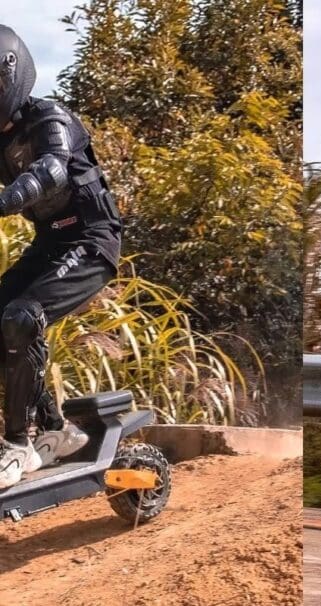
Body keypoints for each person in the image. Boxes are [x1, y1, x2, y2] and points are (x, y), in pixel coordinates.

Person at [0, 25, 121, 487]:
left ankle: (17, 446)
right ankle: (53, 431)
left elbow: (52, 167)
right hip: (51, 243)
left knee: (23, 316)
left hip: (91, 240)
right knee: (3, 319)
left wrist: (10, 199)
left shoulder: (50, 117)